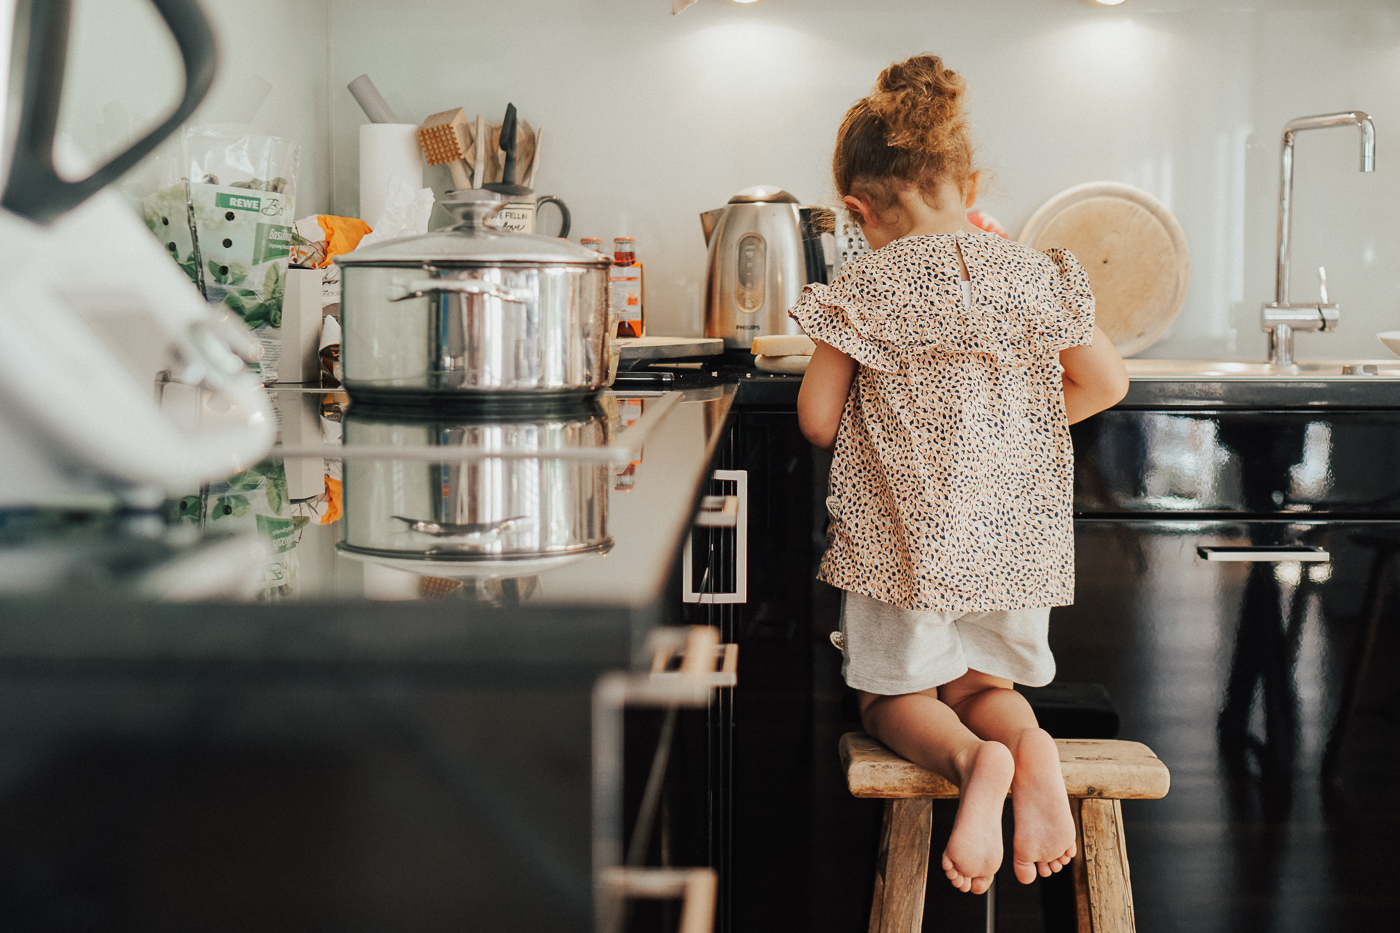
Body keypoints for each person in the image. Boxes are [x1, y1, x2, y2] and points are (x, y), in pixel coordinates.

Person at [791, 54, 1129, 896]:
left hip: (901, 540)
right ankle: (1027, 747)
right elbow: (1104, 383)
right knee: (983, 682)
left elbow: (818, 419)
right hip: (1013, 538)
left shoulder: (864, 282)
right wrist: (1009, 431)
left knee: (889, 698)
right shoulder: (1033, 269)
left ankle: (977, 763)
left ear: (859, 210)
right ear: (967, 181)